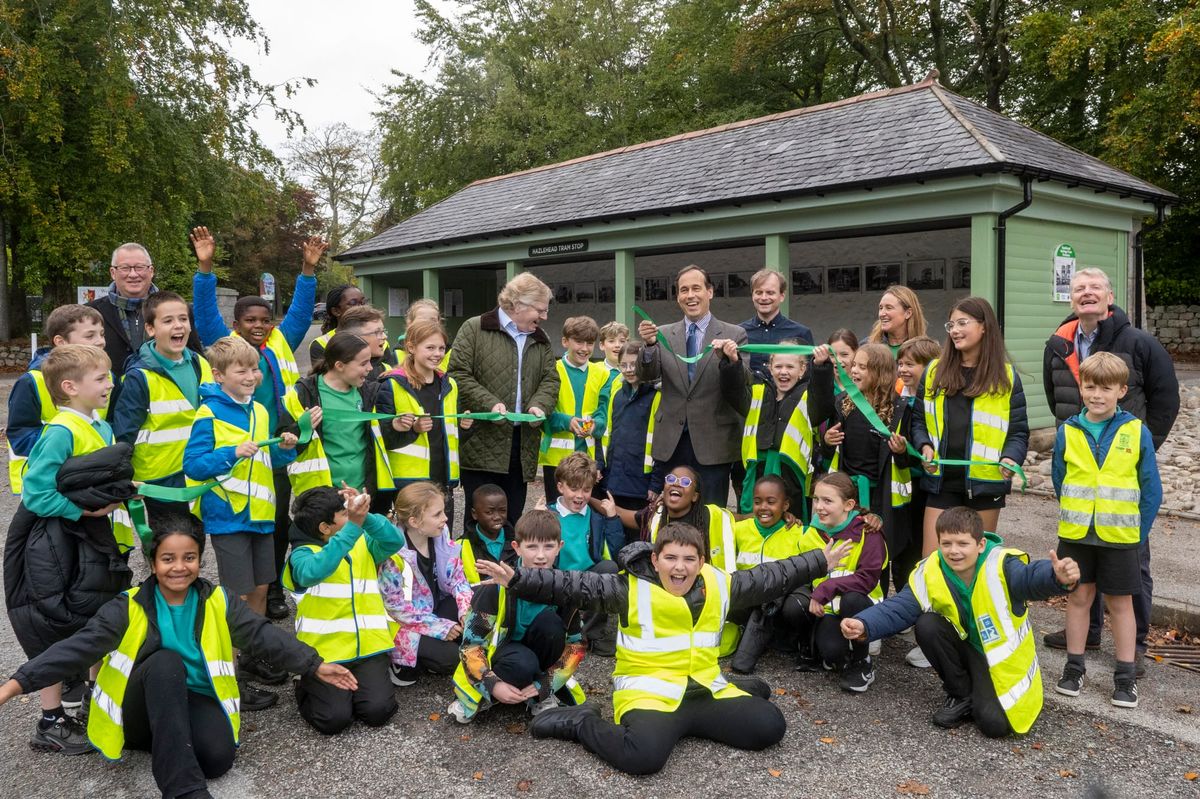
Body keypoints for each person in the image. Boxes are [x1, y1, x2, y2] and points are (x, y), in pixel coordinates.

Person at [0, 515, 356, 798]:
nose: (179, 567)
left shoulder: (218, 600)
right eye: (168, 559)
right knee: (165, 662)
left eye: (189, 558)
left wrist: (314, 665)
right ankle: (183, 790)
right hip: (138, 711)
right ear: (153, 562)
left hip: (190, 699)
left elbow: (263, 636)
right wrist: (14, 686)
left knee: (217, 760)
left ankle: (170, 743)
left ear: (200, 559)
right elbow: (75, 648)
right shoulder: (128, 606)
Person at [475, 522, 849, 776]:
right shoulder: (627, 588)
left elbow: (771, 577)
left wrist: (820, 561)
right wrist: (519, 578)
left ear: (701, 562)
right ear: (655, 560)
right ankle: (581, 722)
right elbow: (573, 585)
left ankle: (735, 691)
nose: (679, 568)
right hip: (649, 694)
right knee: (642, 758)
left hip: (703, 689)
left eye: (689, 559)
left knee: (770, 726)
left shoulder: (720, 584)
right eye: (670, 558)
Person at [842, 507, 1080, 738]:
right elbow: (900, 607)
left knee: (994, 726)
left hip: (1002, 663)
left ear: (980, 544)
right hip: (966, 648)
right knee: (927, 624)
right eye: (946, 544)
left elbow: (1030, 578)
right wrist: (864, 624)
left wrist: (1056, 577)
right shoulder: (931, 569)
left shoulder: (1002, 565)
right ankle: (961, 694)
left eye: (962, 544)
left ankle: (978, 696)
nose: (954, 551)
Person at [1042, 267, 1178, 660]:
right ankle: (1087, 634)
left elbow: (1166, 399)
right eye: (1079, 288)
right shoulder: (1059, 343)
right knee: (1083, 567)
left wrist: (1138, 448)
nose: (1087, 293)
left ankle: (1133, 646)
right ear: (1071, 298)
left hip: (1124, 470)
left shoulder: (1139, 343)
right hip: (1080, 459)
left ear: (1110, 296)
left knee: (1133, 566)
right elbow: (1055, 397)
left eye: (1095, 287)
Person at [189, 226, 324, 619]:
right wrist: (205, 268)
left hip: (272, 447)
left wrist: (307, 270)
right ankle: (241, 611)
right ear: (236, 325)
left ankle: (274, 589)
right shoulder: (225, 345)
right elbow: (204, 314)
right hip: (234, 457)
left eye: (265, 319)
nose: (259, 325)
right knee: (240, 532)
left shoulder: (281, 342)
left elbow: (300, 313)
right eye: (250, 320)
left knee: (276, 521)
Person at [8, 344, 129, 754]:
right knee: (54, 625)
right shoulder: (61, 430)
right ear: (70, 387)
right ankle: (51, 719)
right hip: (60, 542)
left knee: (97, 615)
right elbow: (36, 492)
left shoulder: (101, 425)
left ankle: (94, 699)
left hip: (91, 540)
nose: (110, 384)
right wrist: (83, 512)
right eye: (101, 378)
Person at [182, 337, 300, 706]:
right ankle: (230, 678)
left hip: (261, 516)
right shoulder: (208, 413)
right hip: (228, 516)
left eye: (254, 370)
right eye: (241, 370)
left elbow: (267, 460)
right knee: (237, 596)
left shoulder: (260, 411)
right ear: (218, 376)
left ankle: (252, 656)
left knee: (261, 588)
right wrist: (230, 453)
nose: (251, 376)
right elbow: (193, 464)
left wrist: (286, 449)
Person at [1051, 352, 1160, 707]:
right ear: (1081, 388)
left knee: (1120, 604)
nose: (1097, 395)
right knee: (1079, 598)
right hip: (1077, 535)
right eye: (1090, 387)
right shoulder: (1067, 431)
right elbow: (1059, 478)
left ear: (1121, 391)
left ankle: (1125, 677)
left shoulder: (1136, 431)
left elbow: (1151, 489)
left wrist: (1137, 534)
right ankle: (1074, 668)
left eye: (1106, 388)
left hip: (1120, 538)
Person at [283, 486, 402, 735]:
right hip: (324, 656)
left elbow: (395, 540)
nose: (351, 516)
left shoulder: (362, 542)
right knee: (333, 720)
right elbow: (312, 572)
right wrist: (353, 528)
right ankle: (304, 683)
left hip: (368, 649)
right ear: (325, 528)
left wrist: (365, 518)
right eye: (345, 514)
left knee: (378, 712)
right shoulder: (303, 555)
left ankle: (349, 693)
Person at [449, 509, 587, 723]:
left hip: (541, 656)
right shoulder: (495, 588)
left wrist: (547, 683)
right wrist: (492, 684)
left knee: (551, 624)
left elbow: (576, 645)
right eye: (532, 547)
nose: (540, 556)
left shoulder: (566, 590)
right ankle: (489, 696)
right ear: (517, 547)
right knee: (523, 663)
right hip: (504, 658)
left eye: (548, 546)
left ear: (559, 547)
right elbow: (470, 646)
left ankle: (537, 696)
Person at [449, 272, 558, 531]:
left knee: (512, 521)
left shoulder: (540, 338)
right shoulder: (474, 328)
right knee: (479, 523)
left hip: (522, 446)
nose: (544, 317)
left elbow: (551, 379)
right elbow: (458, 374)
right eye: (540, 310)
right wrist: (489, 403)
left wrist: (540, 404)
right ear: (518, 305)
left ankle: (508, 558)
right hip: (481, 443)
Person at [636, 265, 749, 505]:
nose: (690, 295)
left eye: (696, 288)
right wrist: (649, 346)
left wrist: (731, 361)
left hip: (713, 444)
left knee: (710, 513)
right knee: (672, 513)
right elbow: (647, 375)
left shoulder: (734, 334)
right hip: (671, 443)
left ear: (710, 292)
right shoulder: (663, 334)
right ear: (678, 297)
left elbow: (740, 388)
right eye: (684, 290)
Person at [809, 341, 912, 592]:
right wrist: (827, 441)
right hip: (848, 494)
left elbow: (909, 461)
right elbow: (825, 445)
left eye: (862, 367)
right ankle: (837, 596)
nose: (853, 370)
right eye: (853, 365)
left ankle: (877, 603)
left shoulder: (901, 409)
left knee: (876, 550)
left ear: (881, 373)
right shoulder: (843, 403)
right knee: (846, 549)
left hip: (882, 495)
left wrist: (902, 452)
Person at [113, 291, 214, 535]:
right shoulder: (139, 377)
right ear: (150, 329)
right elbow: (124, 433)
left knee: (196, 539)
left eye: (183, 319)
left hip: (198, 470)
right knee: (169, 543)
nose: (178, 325)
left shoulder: (200, 363)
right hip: (160, 480)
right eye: (168, 320)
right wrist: (124, 479)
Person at [280, 332, 395, 513]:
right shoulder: (304, 393)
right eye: (363, 363)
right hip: (321, 496)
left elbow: (384, 437)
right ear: (339, 365)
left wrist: (398, 426)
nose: (370, 368)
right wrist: (301, 429)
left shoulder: (370, 392)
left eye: (370, 362)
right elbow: (283, 444)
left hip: (363, 492)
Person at [792, 473, 885, 692]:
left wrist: (825, 588)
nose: (819, 507)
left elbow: (868, 578)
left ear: (848, 505)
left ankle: (863, 661)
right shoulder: (811, 533)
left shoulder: (868, 532)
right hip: (829, 610)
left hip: (863, 606)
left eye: (828, 501)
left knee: (852, 600)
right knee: (831, 654)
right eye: (816, 499)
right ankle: (842, 650)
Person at [377, 318, 473, 523]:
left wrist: (464, 427)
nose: (437, 354)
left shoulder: (450, 384)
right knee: (412, 537)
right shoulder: (392, 384)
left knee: (441, 535)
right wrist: (412, 429)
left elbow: (452, 436)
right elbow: (381, 439)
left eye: (441, 348)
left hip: (443, 479)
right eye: (430, 348)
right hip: (409, 483)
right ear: (411, 347)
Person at [379, 482, 473, 686]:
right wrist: (440, 627)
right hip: (405, 624)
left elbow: (458, 579)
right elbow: (396, 609)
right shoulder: (393, 555)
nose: (445, 518)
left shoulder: (441, 535)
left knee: (478, 606)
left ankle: (428, 657)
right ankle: (401, 663)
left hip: (434, 609)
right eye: (437, 514)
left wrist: (465, 612)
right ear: (414, 521)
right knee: (454, 658)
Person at [7, 305, 108, 495]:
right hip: (43, 486)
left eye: (102, 334)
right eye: (90, 336)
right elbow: (19, 436)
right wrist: (67, 446)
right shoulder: (32, 382)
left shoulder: (107, 378)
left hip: (92, 478)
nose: (100, 341)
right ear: (60, 342)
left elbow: (110, 425)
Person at [86, 242, 202, 391]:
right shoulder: (91, 312)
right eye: (125, 268)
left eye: (139, 267)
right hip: (108, 398)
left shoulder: (178, 311)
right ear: (113, 272)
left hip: (166, 397)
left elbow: (195, 357)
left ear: (151, 271)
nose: (133, 274)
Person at [722, 337, 811, 518]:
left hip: (791, 476)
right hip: (758, 472)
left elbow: (824, 399)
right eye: (778, 366)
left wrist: (823, 366)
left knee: (789, 525)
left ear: (802, 369)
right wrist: (732, 362)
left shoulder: (809, 396)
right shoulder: (757, 391)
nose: (783, 372)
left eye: (790, 367)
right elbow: (733, 392)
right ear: (770, 367)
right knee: (753, 522)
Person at [727, 475, 807, 674]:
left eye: (771, 502)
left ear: (785, 505)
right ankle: (752, 633)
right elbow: (716, 516)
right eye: (757, 502)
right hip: (748, 597)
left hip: (779, 601)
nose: (763, 507)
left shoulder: (797, 532)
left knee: (796, 606)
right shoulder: (739, 530)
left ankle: (796, 639)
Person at [553, 453, 623, 655]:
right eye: (574, 488)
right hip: (557, 581)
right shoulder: (549, 514)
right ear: (560, 487)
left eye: (586, 490)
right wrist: (537, 521)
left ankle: (590, 635)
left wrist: (612, 518)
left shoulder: (596, 517)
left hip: (587, 578)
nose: (580, 495)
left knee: (609, 568)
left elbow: (618, 552)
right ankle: (563, 631)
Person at [539, 316, 612, 504]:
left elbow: (603, 414)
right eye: (579, 342)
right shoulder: (551, 370)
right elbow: (542, 414)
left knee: (587, 512)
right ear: (565, 342)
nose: (585, 348)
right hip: (556, 461)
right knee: (557, 511)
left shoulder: (602, 374)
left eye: (590, 343)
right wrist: (567, 421)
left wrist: (595, 425)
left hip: (588, 461)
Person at [892, 336, 942, 588]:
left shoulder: (936, 402)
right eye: (900, 364)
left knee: (924, 541)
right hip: (902, 482)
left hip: (927, 483)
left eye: (910, 364)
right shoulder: (897, 399)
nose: (903, 370)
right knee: (902, 543)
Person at [601, 341, 663, 523]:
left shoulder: (656, 396)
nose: (628, 370)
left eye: (634, 364)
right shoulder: (617, 395)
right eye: (623, 365)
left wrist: (656, 484)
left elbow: (661, 444)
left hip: (642, 483)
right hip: (615, 479)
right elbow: (608, 437)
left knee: (640, 530)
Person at [739, 269, 814, 381]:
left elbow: (809, 376)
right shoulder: (739, 332)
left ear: (782, 296)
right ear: (752, 295)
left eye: (770, 293)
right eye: (759, 292)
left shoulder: (801, 333)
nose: (764, 298)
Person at [459, 484, 517, 586]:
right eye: (489, 512)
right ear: (474, 514)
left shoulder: (518, 541)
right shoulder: (461, 546)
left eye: (502, 511)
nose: (497, 517)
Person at [333, 305, 399, 382]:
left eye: (383, 331)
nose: (385, 336)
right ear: (354, 338)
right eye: (377, 332)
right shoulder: (342, 377)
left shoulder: (387, 368)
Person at [866, 285, 928, 355]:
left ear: (908, 313)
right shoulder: (867, 346)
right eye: (881, 308)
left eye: (889, 308)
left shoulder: (925, 351)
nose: (882, 314)